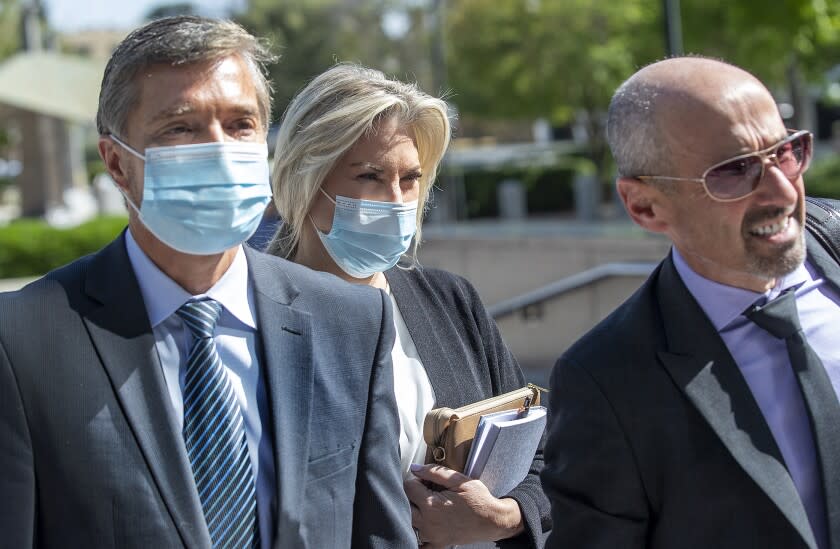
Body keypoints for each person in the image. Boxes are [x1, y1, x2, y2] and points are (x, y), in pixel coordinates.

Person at [0, 16, 414, 549]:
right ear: (117, 164)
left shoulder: (351, 323)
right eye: (180, 127)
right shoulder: (24, 341)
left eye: (241, 124)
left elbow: (379, 532)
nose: (219, 149)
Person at [541, 56, 840, 549]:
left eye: (786, 152)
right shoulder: (608, 381)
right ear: (645, 205)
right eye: (735, 171)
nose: (783, 191)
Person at [266, 63, 550, 548]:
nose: (395, 200)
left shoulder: (450, 300)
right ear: (304, 179)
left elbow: (542, 451)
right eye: (370, 176)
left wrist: (506, 515)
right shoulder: (254, 317)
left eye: (411, 178)